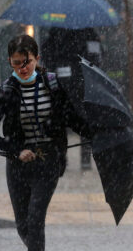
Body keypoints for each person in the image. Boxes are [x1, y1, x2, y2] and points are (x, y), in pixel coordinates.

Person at [0, 34, 91, 251]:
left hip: (48, 162)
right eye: (17, 63)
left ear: (36, 58)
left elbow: (72, 119)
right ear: (10, 61)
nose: (22, 68)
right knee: (22, 225)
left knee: (35, 218)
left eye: (27, 62)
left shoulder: (53, 85)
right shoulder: (6, 91)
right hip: (18, 166)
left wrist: (101, 132)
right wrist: (16, 151)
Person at [41, 27, 103, 170]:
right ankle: (84, 161)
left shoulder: (54, 33)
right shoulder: (88, 32)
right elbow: (96, 57)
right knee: (82, 121)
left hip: (63, 85)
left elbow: (46, 57)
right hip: (80, 85)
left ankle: (63, 160)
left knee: (60, 123)